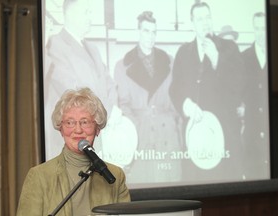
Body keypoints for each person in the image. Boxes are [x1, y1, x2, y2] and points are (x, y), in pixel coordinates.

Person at [16, 87, 131, 216]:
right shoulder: (39, 176)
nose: (78, 130)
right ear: (61, 129)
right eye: (70, 122)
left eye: (85, 122)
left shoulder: (115, 175)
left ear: (97, 129)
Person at [169, 2, 244, 180]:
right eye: (200, 19)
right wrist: (186, 105)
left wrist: (217, 59)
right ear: (192, 23)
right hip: (195, 136)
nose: (205, 22)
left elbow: (239, 85)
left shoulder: (229, 48)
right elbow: (175, 88)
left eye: (208, 17)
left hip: (224, 136)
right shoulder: (183, 52)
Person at [114, 11, 183, 184]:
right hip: (141, 135)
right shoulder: (122, 65)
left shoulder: (169, 61)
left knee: (171, 189)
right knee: (144, 189)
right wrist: (136, 129)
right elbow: (123, 104)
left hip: (167, 135)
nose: (150, 37)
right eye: (146, 31)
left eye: (154, 32)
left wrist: (176, 124)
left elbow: (176, 99)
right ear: (138, 31)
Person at [44, 0, 118, 160]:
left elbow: (110, 85)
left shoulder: (93, 49)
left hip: (94, 134)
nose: (90, 17)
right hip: (71, 139)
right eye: (86, 12)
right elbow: (71, 89)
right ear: (69, 14)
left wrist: (107, 114)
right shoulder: (55, 44)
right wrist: (100, 113)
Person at [241, 12, 269, 179]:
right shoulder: (244, 57)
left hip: (269, 132)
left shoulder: (277, 55)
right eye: (257, 28)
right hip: (251, 131)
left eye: (263, 28)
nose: (260, 33)